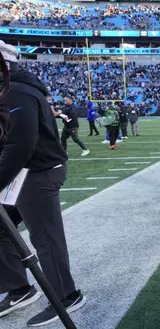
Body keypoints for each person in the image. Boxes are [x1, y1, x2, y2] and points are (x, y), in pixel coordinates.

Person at [0, 41, 86, 326]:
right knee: (3, 228)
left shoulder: (17, 92)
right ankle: (20, 287)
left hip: (38, 172)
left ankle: (67, 295)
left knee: (45, 238)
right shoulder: (11, 89)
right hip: (24, 172)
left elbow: (21, 144)